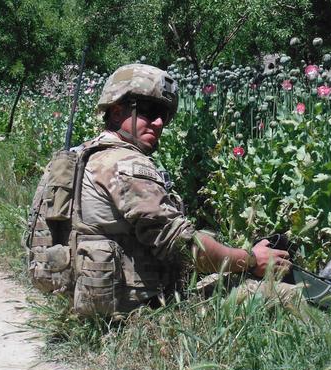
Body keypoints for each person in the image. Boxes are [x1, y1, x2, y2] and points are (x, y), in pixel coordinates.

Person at [68, 63, 294, 318]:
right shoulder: (125, 164)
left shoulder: (80, 156)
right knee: (285, 295)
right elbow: (186, 247)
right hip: (134, 310)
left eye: (164, 115)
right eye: (149, 111)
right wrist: (251, 259)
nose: (158, 122)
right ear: (118, 112)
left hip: (87, 298)